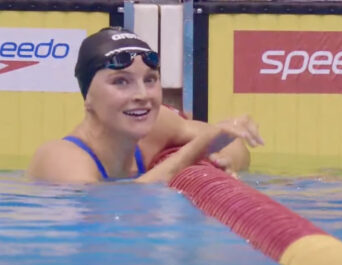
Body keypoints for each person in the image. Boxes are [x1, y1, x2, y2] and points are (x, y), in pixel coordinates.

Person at [27, 27, 264, 183]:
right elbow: (119, 207)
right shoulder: (60, 159)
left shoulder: (157, 124)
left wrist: (225, 160)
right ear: (87, 96)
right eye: (120, 81)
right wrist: (194, 152)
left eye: (150, 80)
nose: (142, 95)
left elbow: (234, 146)